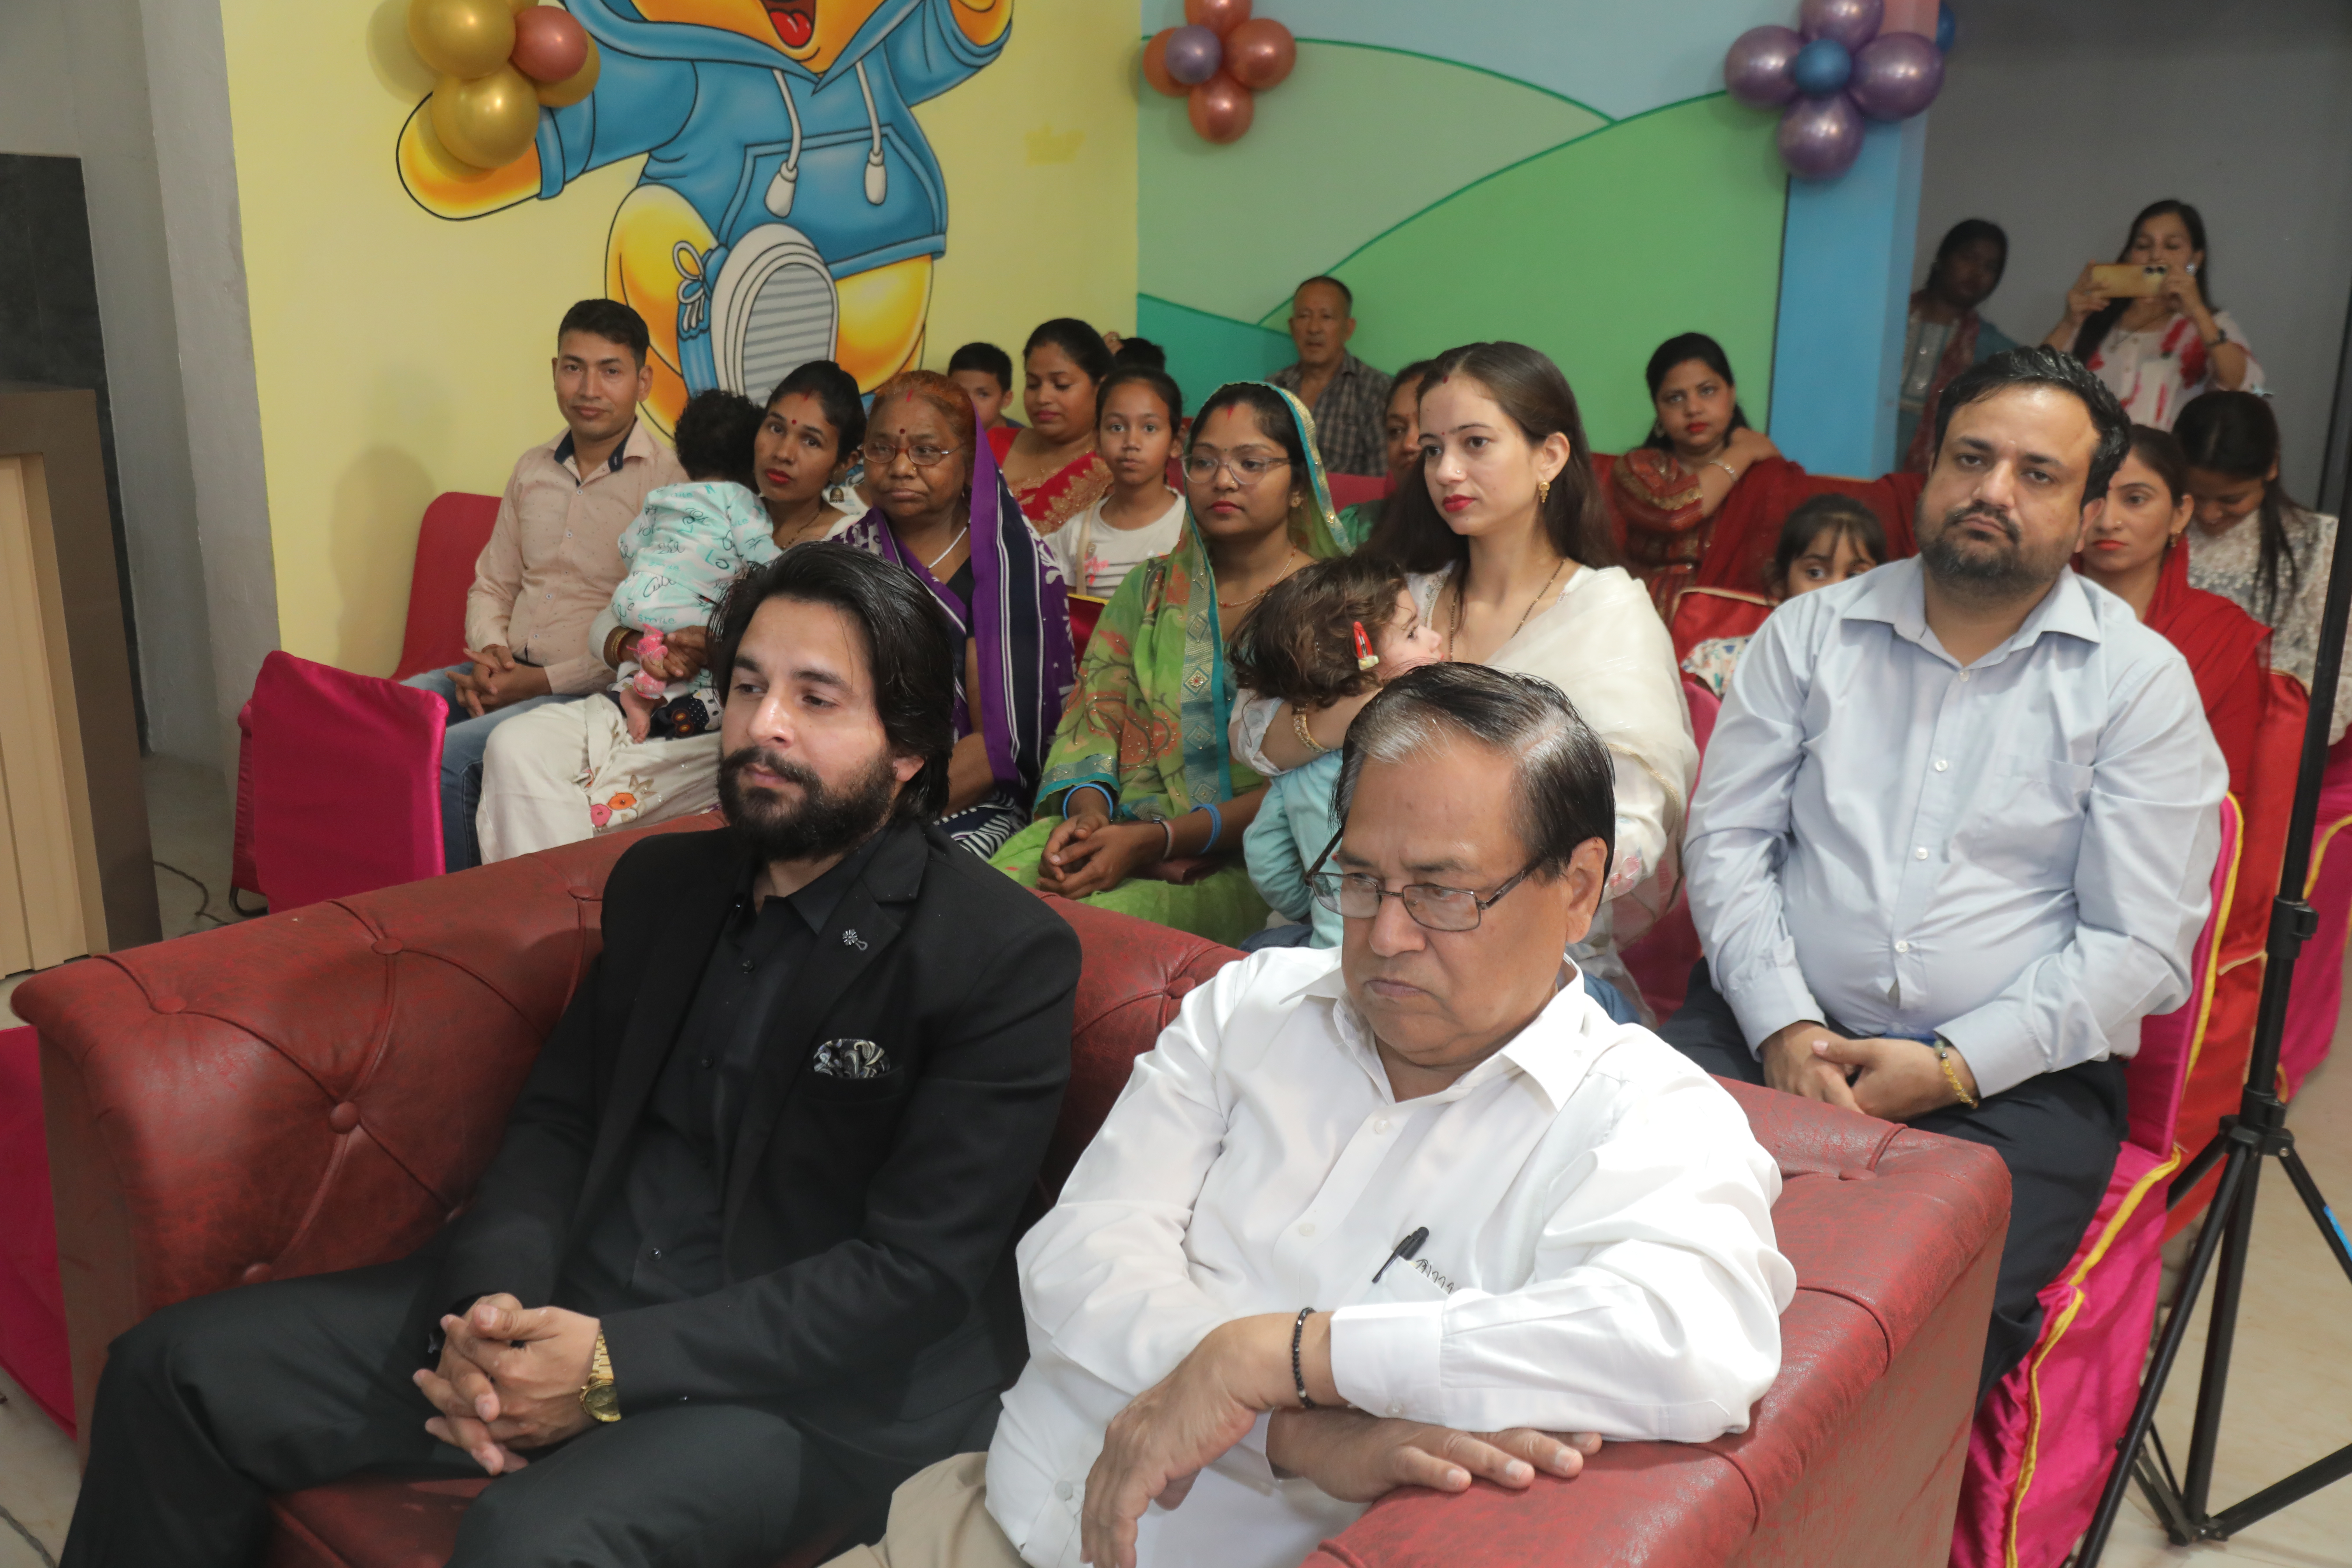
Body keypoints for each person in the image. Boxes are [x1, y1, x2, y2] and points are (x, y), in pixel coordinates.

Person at [62, 544, 1084, 1568]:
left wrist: (602, 1366)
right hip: (568, 1297)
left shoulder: (994, 955)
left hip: (789, 1391)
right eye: (745, 685)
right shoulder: (666, 883)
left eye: (816, 698)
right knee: (173, 1367)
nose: (764, 723)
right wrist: (493, 1310)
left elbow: (907, 1275)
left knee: (531, 1542)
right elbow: (560, 1118)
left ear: (906, 748)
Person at [821, 663, 1795, 1568]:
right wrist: (1289, 1426)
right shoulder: (1252, 1008)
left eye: (1444, 892)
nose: (1386, 934)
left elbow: (1688, 1340)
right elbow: (1079, 1258)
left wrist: (1287, 1352)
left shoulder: (1644, 1115)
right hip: (979, 1524)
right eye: (1362, 880)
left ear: (1578, 888)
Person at [1665, 344, 2227, 1392]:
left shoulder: (2137, 683)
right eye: (1971, 458)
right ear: (1928, 468)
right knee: (1622, 1222)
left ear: (2087, 510)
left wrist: (1953, 1064)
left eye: (2037, 474)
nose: (1992, 491)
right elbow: (1728, 844)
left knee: (1889, 1339)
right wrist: (1785, 1024)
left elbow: (2136, 943)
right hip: (1761, 1025)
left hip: (2011, 1086)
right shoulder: (1806, 634)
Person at [1242, 342, 1698, 1016]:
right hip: (1375, 922)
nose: (1446, 470)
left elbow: (1626, 838)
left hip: (1527, 949)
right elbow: (1254, 735)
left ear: (1551, 455)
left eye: (1475, 443)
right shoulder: (1404, 598)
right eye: (1431, 449)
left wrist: (1467, 893)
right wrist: (1368, 706)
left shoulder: (1608, 614)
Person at [987, 383, 1342, 946]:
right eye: (1204, 463)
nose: (1223, 481)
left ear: (1299, 485)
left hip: (1259, 863)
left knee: (1054, 938)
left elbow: (1315, 782)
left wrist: (1159, 840)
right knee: (976, 898)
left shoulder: (1332, 604)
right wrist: (1088, 818)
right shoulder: (1148, 589)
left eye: (1251, 463)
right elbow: (1094, 720)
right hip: (1122, 831)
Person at [476, 360, 863, 860]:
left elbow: (823, 665)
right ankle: (544, 921)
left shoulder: (848, 541)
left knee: (586, 795)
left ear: (842, 462)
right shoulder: (709, 512)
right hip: (647, 689)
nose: (783, 452)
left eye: (811, 441)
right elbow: (608, 620)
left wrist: (719, 647)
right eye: (774, 428)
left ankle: (569, 915)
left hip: (732, 727)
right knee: (514, 745)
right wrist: (642, 645)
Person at [406, 298, 685, 873]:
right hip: (506, 668)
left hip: (587, 692)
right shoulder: (532, 470)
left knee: (454, 756)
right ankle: (376, 899)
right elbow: (491, 584)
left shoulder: (669, 486)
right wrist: (491, 654)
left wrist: (536, 683)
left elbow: (649, 637)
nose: (589, 388)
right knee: (397, 713)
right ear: (555, 370)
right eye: (573, 367)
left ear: (644, 381)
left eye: (611, 370)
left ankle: (458, 924)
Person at [834, 370, 1074, 858]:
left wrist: (876, 814)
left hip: (970, 799)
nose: (901, 467)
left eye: (926, 451)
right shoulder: (845, 557)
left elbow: (998, 748)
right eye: (882, 449)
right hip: (845, 779)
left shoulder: (1013, 570)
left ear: (969, 461)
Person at [1231, 556, 1444, 951]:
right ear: (1360, 658)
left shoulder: (1297, 768)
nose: (1436, 639)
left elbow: (1264, 854)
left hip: (1336, 944)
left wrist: (1306, 907)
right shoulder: (1427, 747)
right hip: (1429, 934)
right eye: (1413, 633)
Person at [2072, 423, 2271, 785]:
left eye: (2135, 499)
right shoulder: (2021, 609)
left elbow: (2228, 790)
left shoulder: (2222, 634)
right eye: (2092, 497)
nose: (2107, 520)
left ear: (2180, 514)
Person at [2176, 390, 2347, 744]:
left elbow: (2342, 674)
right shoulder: (2151, 531)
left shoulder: (2318, 543)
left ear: (2271, 466)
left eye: (2231, 499)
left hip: (2268, 747)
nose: (2209, 515)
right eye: (2197, 495)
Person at [607, 389, 771, 743]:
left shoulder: (664, 495)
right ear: (751, 460)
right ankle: (671, 709)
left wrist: (656, 569)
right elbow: (760, 553)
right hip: (684, 609)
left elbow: (628, 545)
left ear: (684, 455)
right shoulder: (741, 499)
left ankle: (637, 692)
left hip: (634, 599)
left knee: (656, 645)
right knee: (710, 651)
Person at [1593, 332, 1784, 615]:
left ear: (1731, 394)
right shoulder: (1638, 469)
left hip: (1729, 627)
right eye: (1674, 398)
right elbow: (1673, 513)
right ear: (1658, 409)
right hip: (1640, 621)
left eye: (1707, 391)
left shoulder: (1763, 476)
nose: (1693, 409)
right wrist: (1742, 453)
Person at [2045, 200, 2261, 430]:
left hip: (2167, 463)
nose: (2156, 256)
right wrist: (2069, 323)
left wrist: (2198, 313)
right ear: (2129, 256)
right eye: (2143, 246)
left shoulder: (2212, 325)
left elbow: (2243, 388)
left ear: (2195, 261)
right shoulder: (2096, 316)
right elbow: (2034, 384)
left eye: (2172, 246)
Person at [1679, 493, 1887, 698]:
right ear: (1779, 580)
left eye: (1855, 576)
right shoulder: (1725, 662)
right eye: (1816, 573)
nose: (1835, 591)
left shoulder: (1884, 674)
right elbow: (1701, 728)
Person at [1041, 363, 1187, 600]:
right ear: (1098, 440)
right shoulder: (1075, 536)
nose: (1132, 441)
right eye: (1117, 427)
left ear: (1176, 443)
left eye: (1150, 428)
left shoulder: (1192, 529)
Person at [1898, 219, 2019, 472]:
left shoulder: (1991, 347)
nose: (1976, 273)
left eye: (1990, 267)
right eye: (1969, 257)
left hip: (1934, 472)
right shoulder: (1886, 322)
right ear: (1942, 258)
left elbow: (2033, 377)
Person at [992, 319, 1113, 534]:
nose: (1043, 397)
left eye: (1061, 385)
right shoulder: (994, 444)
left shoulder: (1113, 467)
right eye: (1033, 385)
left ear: (1100, 388)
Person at [1270, 276, 1393, 478]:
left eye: (1326, 317)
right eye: (1304, 316)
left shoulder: (1376, 392)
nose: (1314, 328)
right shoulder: (1274, 388)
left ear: (1349, 328)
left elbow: (1381, 482)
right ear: (1292, 326)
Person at [1333, 358, 1437, 552]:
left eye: (1425, 424)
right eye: (1396, 431)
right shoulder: (1357, 528)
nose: (1408, 445)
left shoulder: (1482, 533)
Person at [947, 341, 1020, 432]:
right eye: (959, 392)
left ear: (1006, 399)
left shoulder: (1024, 442)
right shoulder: (940, 434)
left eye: (983, 395)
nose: (969, 404)